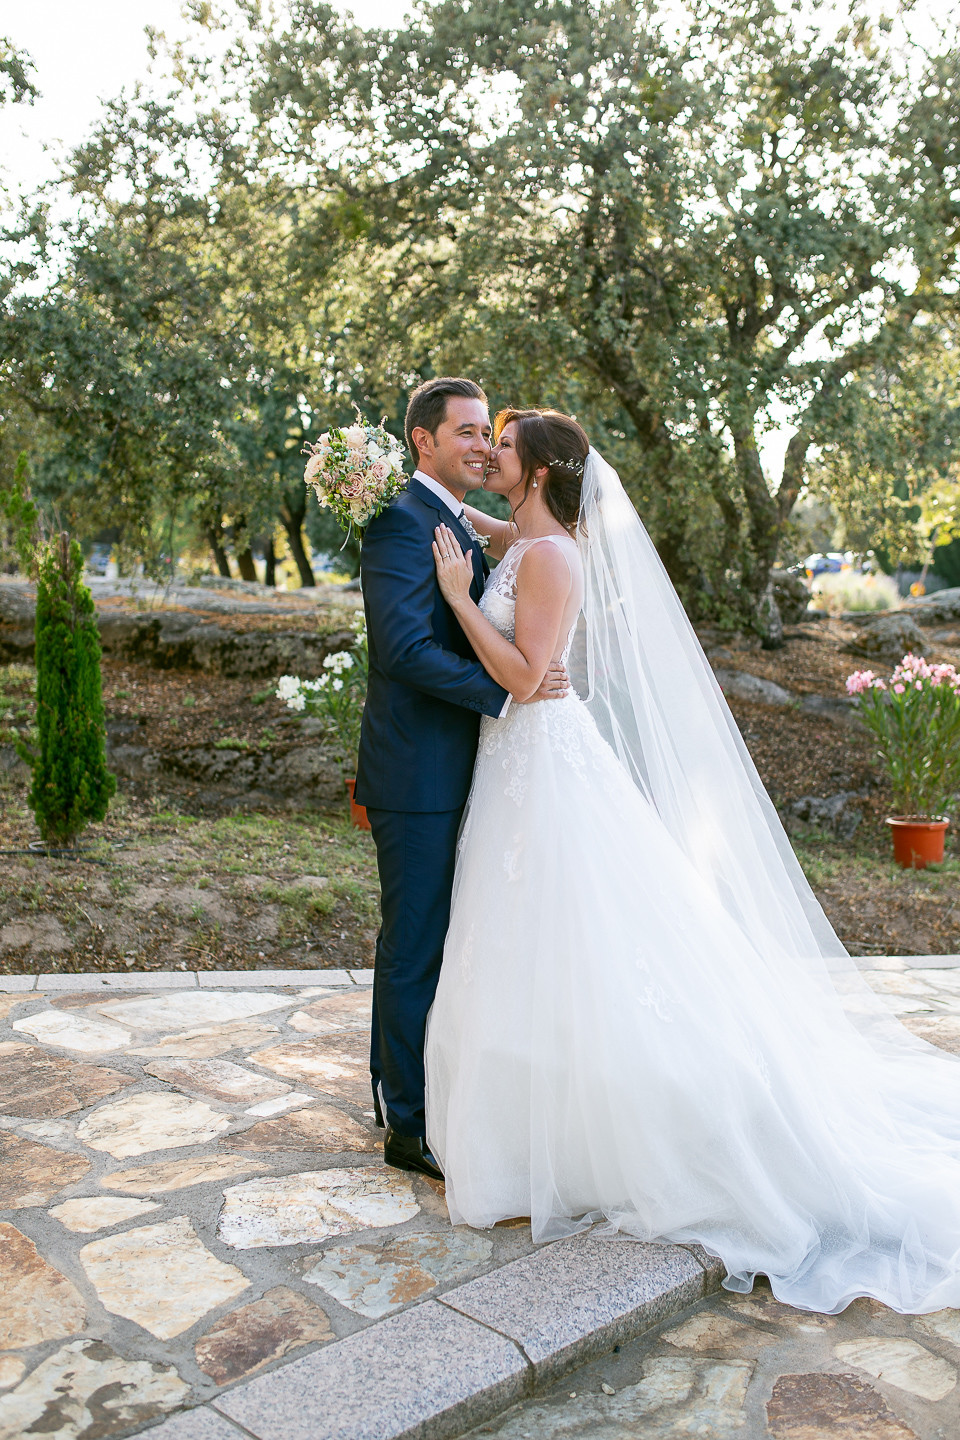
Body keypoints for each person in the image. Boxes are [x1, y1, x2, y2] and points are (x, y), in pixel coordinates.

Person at [424, 406, 960, 1316]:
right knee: (529, 946)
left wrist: (460, 601)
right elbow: (482, 523)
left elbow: (525, 675)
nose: (490, 455)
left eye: (503, 448)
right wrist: (423, 493)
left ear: (544, 472)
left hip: (546, 764)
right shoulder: (528, 537)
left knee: (577, 934)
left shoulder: (552, 558)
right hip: (517, 770)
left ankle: (615, 1131)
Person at [355, 377, 568, 1181]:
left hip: (457, 764)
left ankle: (402, 1090)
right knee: (412, 945)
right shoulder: (401, 524)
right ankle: (406, 1125)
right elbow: (402, 650)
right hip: (417, 771)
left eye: (492, 434)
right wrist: (505, 692)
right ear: (424, 440)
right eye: (470, 432)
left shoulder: (451, 518)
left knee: (428, 940)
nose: (483, 444)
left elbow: (535, 545)